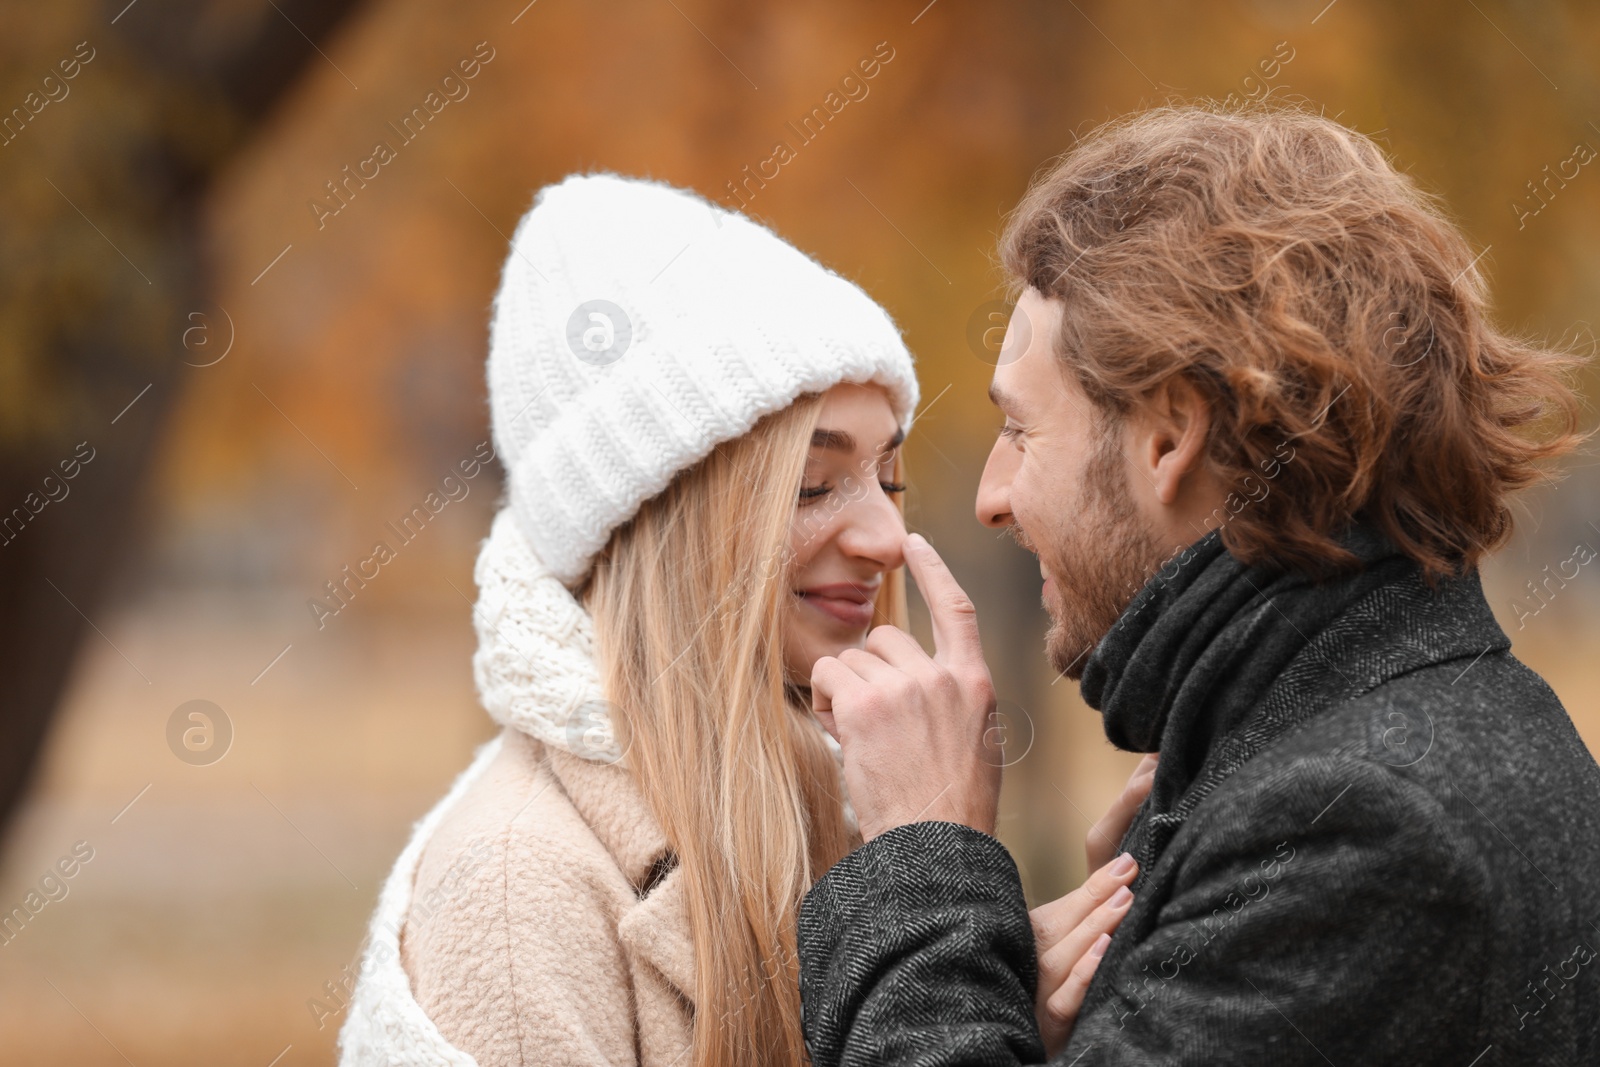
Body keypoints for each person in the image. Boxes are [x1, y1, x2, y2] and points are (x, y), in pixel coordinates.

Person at [797, 102, 1600, 1065]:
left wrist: (918, 856)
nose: (991, 498)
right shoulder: (1408, 730)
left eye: (1021, 430)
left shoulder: (1359, 825)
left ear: (1169, 437)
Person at [335, 172, 930, 1067]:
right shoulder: (514, 896)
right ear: (664, 520)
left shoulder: (848, 804)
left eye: (891, 478)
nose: (889, 536)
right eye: (813, 484)